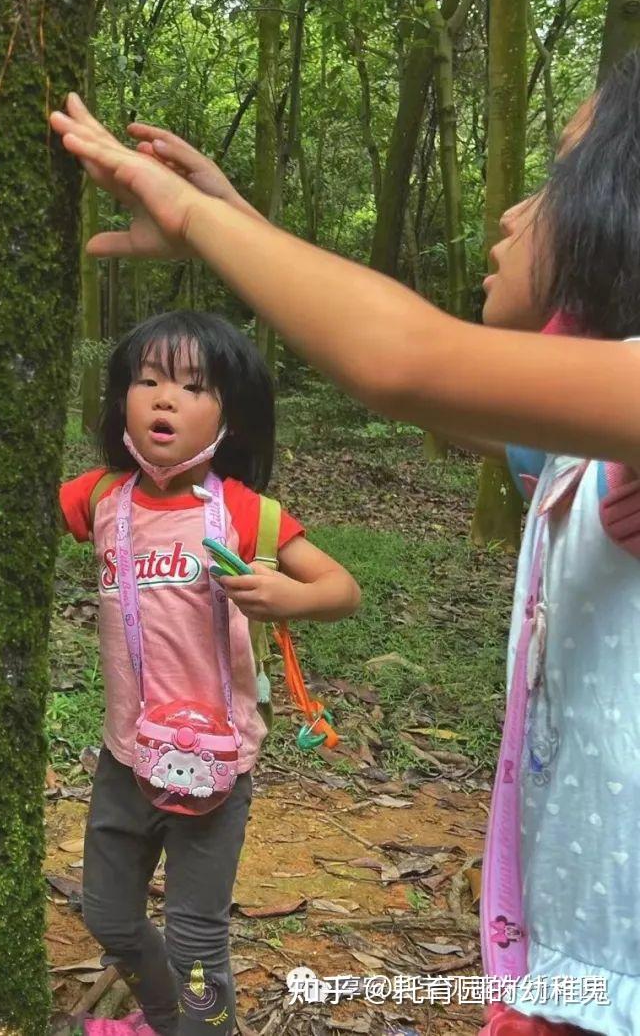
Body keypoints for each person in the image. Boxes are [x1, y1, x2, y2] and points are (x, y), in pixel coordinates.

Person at [51, 55, 640, 1036]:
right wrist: (239, 219)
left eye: (557, 178)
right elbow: (450, 405)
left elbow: (405, 362)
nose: (510, 214)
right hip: (571, 968)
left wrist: (194, 216)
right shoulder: (587, 454)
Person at [60, 310, 359, 1036]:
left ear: (233, 410)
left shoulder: (246, 513)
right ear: (120, 397)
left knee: (197, 938)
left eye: (195, 387)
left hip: (217, 768)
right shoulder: (99, 498)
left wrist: (288, 594)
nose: (165, 399)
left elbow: (342, 589)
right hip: (126, 756)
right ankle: (168, 1020)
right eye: (149, 380)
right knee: (106, 913)